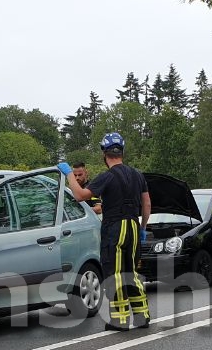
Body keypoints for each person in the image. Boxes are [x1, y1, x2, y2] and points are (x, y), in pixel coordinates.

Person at [64, 133, 151, 330]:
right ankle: (141, 316)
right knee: (132, 272)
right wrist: (143, 227)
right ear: (122, 152)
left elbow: (79, 195)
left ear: (105, 153)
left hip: (115, 227)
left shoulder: (107, 176)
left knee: (116, 273)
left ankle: (119, 320)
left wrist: (69, 174)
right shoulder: (138, 175)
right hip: (134, 226)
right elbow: (146, 204)